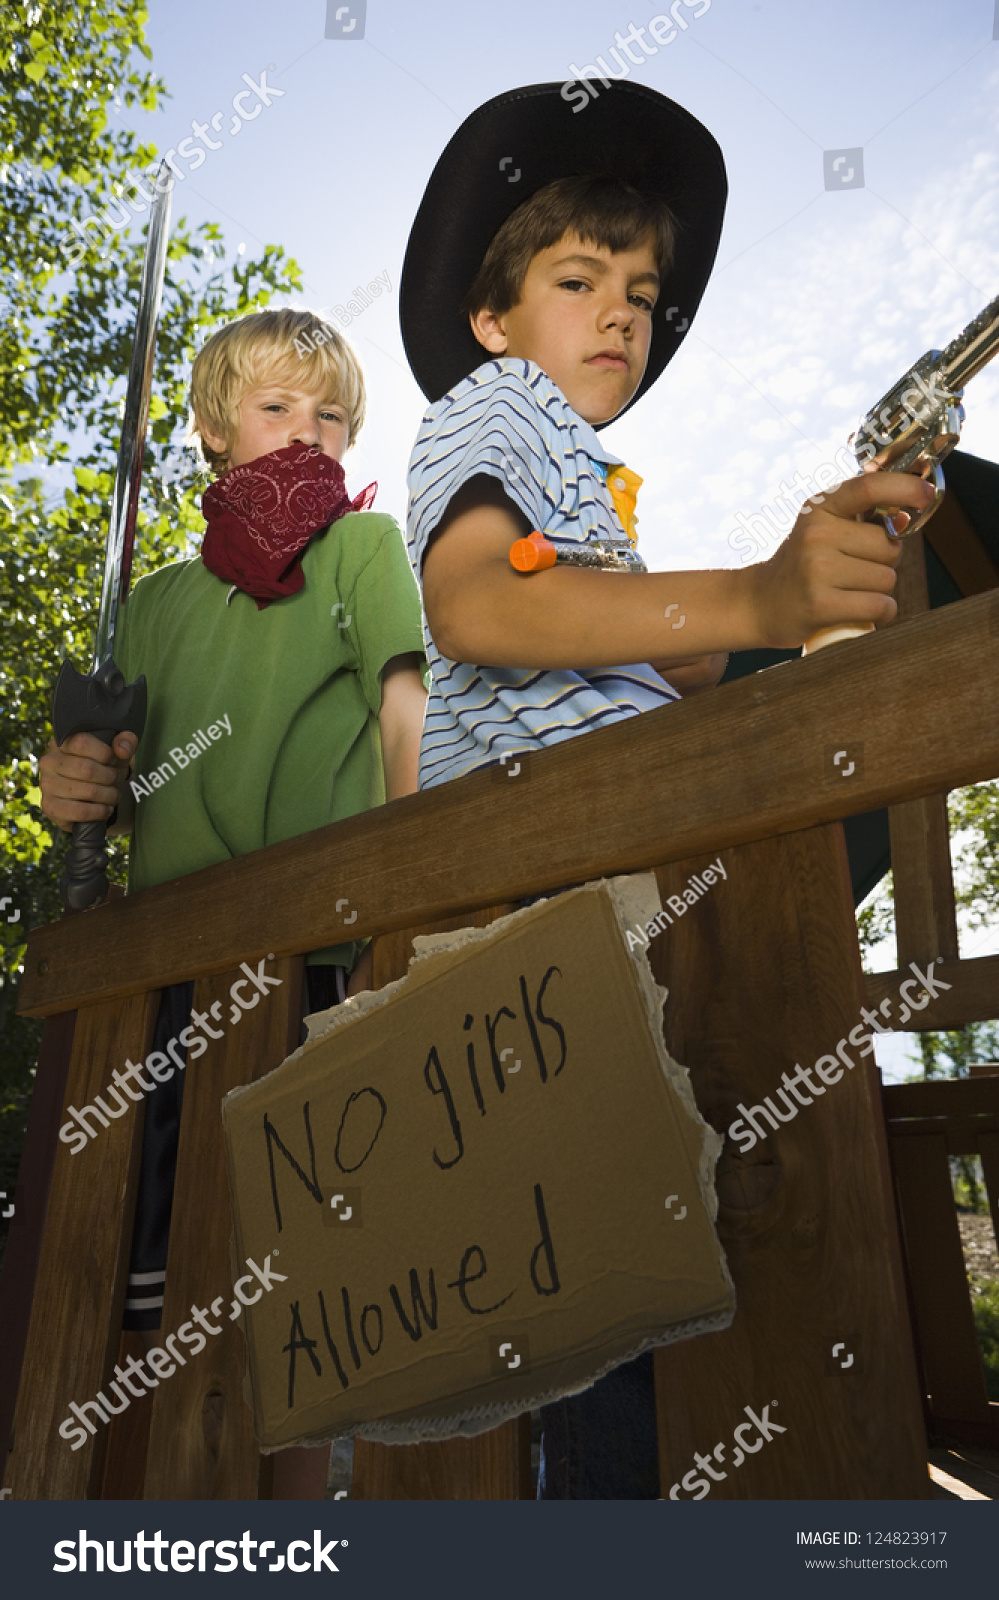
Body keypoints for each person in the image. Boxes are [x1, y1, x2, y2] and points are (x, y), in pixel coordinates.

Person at [399, 80, 933, 1497]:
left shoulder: (583, 469)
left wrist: (782, 590)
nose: (623, 311)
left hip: (623, 855)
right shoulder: (488, 412)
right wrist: (759, 590)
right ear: (492, 318)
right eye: (578, 279)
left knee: (654, 1220)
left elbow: (668, 671)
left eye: (641, 289)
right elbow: (477, 608)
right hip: (541, 876)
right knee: (601, 1268)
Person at [39, 307, 427, 1496]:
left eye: (332, 417)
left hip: (319, 955)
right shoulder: (150, 606)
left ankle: (287, 1527)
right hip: (164, 978)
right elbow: (107, 793)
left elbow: (407, 707)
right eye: (277, 409)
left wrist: (413, 902)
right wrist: (73, 792)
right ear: (213, 432)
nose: (307, 432)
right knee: (144, 1288)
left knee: (293, 1301)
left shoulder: (362, 550)